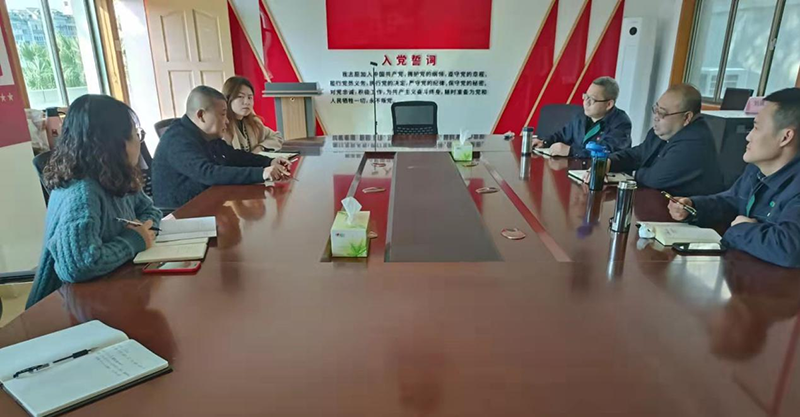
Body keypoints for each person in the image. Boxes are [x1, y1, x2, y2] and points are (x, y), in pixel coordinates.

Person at [26, 95, 161, 308]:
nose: (139, 141)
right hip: (60, 307)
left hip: (109, 284)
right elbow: (78, 266)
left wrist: (142, 229)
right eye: (136, 135)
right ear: (116, 143)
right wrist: (133, 240)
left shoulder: (117, 175)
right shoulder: (82, 193)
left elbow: (150, 211)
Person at [669, 88, 800, 268]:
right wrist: (693, 207)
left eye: (756, 128)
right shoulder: (756, 169)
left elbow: (790, 250)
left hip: (775, 284)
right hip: (743, 273)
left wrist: (741, 229)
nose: (748, 136)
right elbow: (732, 201)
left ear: (785, 137)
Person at [152, 86, 291, 208]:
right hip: (180, 214)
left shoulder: (205, 135)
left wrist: (269, 162)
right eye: (223, 114)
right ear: (201, 115)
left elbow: (233, 156)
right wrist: (261, 173)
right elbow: (208, 173)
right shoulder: (177, 139)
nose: (227, 121)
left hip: (207, 201)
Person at [590, 83, 725, 196]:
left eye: (662, 113)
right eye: (656, 109)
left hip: (690, 216)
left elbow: (655, 179)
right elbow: (639, 154)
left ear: (686, 117)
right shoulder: (665, 130)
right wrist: (609, 162)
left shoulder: (695, 142)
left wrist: (633, 172)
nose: (656, 117)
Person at [532, 76, 632, 158]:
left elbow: (605, 153)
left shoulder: (621, 123)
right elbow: (562, 135)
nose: (586, 102)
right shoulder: (582, 115)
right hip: (577, 169)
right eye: (586, 96)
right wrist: (545, 142)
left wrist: (570, 151)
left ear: (609, 104)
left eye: (592, 99)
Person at [222, 76, 285, 152]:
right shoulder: (222, 126)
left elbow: (277, 137)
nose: (247, 102)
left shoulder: (254, 122)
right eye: (240, 96)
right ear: (228, 99)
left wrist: (261, 147)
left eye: (250, 97)